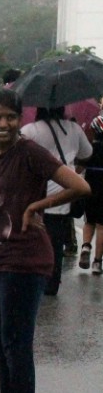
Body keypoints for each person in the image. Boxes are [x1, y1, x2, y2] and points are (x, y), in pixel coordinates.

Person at [0, 89, 89, 393]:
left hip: (27, 262)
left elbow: (79, 185)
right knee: (1, 345)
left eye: (10, 118)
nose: (3, 124)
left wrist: (39, 204)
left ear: (21, 120)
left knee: (17, 348)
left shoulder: (30, 152)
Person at [20, 106, 92, 295]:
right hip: (64, 196)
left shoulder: (30, 130)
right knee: (56, 242)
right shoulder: (74, 129)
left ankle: (31, 279)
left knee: (32, 240)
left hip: (36, 195)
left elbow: (17, 156)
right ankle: (51, 284)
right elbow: (87, 154)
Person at [76, 114, 103, 275]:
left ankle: (86, 246)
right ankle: (97, 262)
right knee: (101, 226)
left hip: (90, 187)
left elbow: (78, 170)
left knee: (89, 221)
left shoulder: (90, 148)